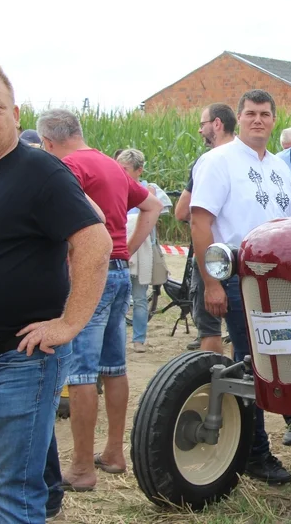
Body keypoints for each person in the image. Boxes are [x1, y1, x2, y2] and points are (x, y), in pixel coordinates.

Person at [0, 66, 112, 523]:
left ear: (15, 113)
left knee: (12, 490)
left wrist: (68, 323)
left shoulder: (40, 171)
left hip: (21, 357)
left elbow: (94, 241)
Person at [36, 108, 163, 492]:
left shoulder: (69, 167)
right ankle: (113, 453)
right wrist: (127, 247)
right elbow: (153, 206)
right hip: (120, 271)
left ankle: (80, 467)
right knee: (114, 366)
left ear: (48, 142)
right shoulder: (111, 165)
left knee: (81, 373)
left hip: (92, 272)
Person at [190, 89, 291, 485]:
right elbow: (200, 224)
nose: (258, 120)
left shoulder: (280, 167)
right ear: (238, 117)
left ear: (272, 120)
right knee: (253, 362)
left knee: (276, 354)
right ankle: (255, 454)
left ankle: (276, 430)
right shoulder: (218, 162)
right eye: (250, 113)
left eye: (265, 114)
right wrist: (212, 284)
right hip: (236, 273)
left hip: (277, 276)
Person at [175, 103, 237, 354]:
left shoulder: (209, 161)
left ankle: (215, 390)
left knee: (210, 331)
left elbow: (181, 211)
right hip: (246, 257)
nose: (200, 131)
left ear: (217, 124)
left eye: (203, 124)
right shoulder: (252, 159)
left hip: (213, 257)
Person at [116, 148, 171, 353]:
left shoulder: (149, 190)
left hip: (141, 250)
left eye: (125, 169)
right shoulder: (114, 187)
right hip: (119, 248)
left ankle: (138, 339)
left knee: (139, 298)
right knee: (118, 300)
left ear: (139, 170)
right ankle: (118, 340)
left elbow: (157, 216)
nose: (121, 173)